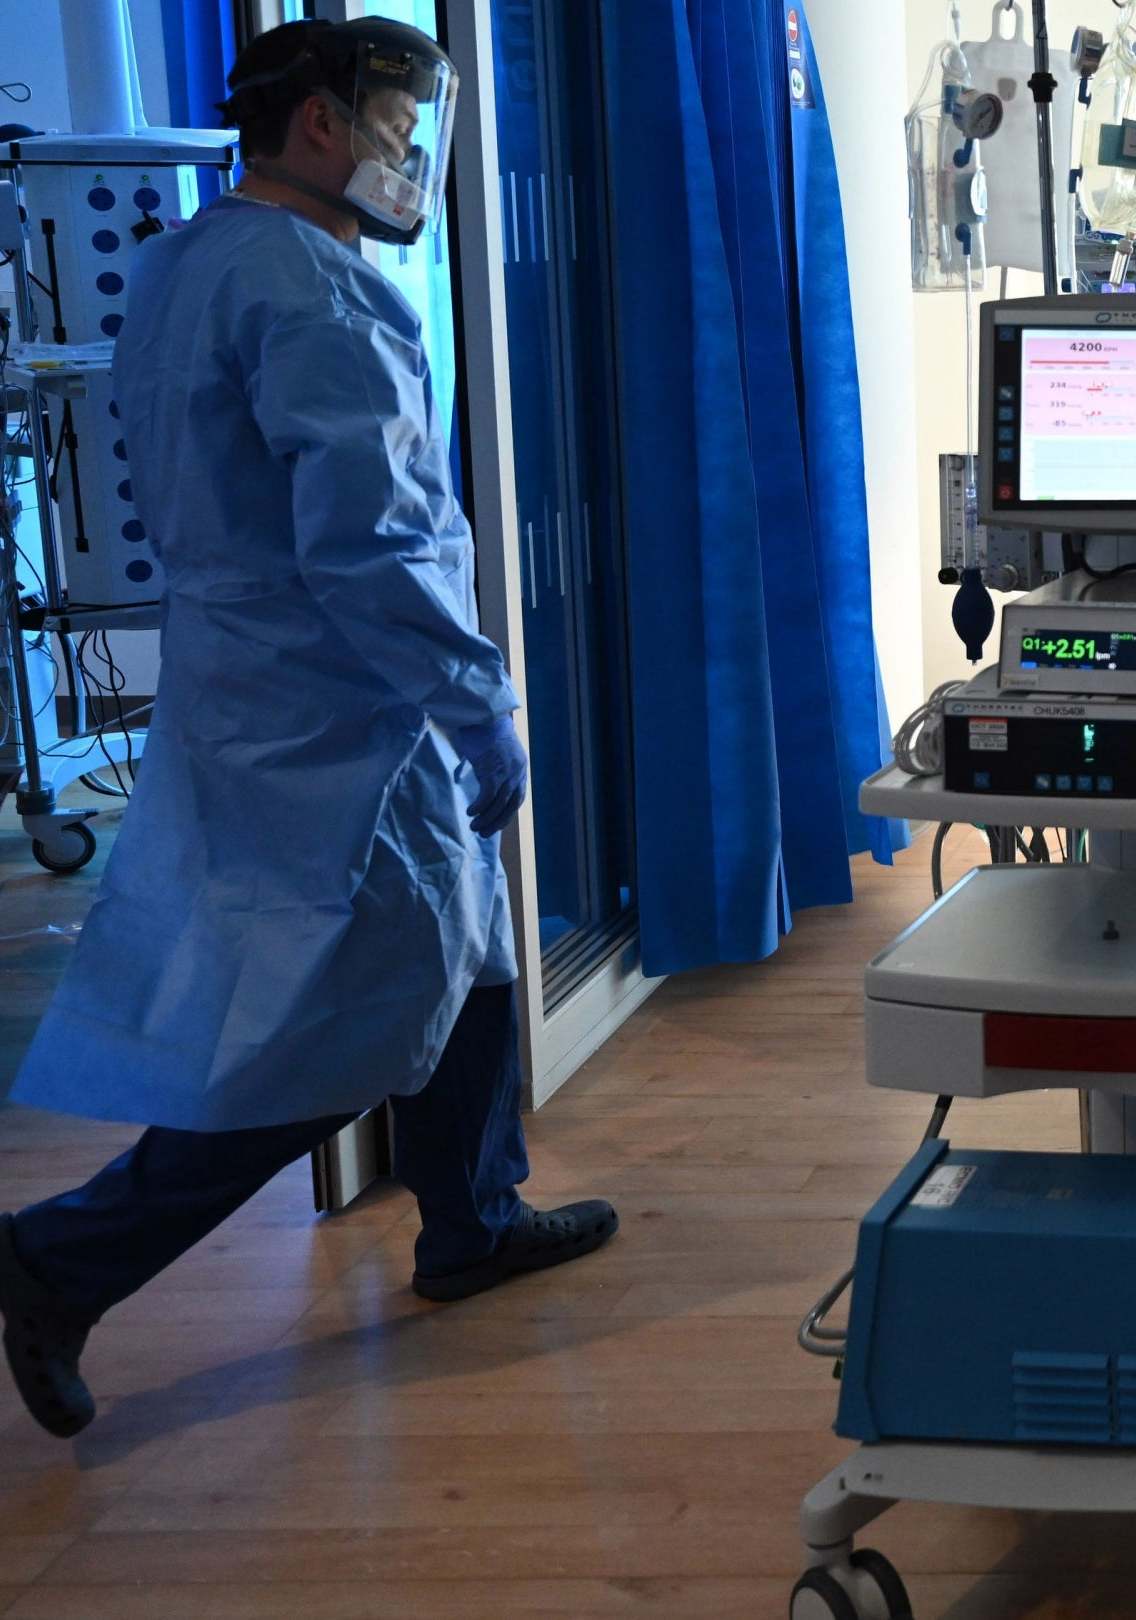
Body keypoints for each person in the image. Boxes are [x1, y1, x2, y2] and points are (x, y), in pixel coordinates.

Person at [0, 18, 616, 1440]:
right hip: (341, 699)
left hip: (252, 680)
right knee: (332, 1034)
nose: (411, 158)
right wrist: (481, 708)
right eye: (396, 129)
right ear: (324, 127)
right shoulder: (320, 294)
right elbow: (375, 548)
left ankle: (473, 1216)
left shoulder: (189, 255)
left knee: (456, 951)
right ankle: (59, 1259)